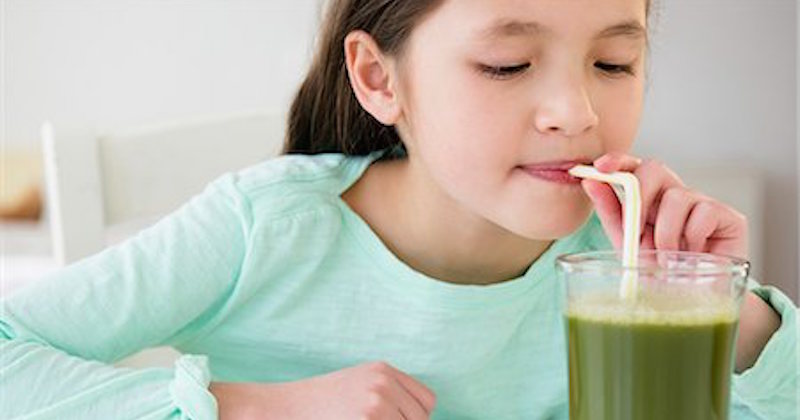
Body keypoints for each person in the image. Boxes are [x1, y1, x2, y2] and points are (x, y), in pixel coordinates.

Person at [2, 0, 797, 418]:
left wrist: (732, 316)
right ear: (381, 80)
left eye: (614, 61)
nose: (576, 110)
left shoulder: (628, 266)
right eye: (508, 63)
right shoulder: (268, 230)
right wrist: (245, 410)